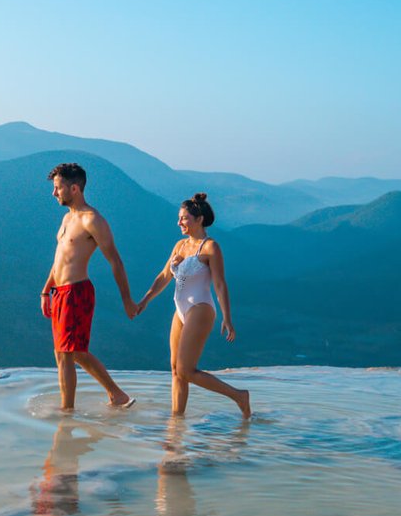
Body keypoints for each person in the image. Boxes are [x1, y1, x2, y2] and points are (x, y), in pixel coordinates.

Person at [135, 193, 252, 417]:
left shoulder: (210, 247)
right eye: (179, 218)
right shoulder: (179, 245)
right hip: (180, 312)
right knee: (175, 370)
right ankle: (176, 422)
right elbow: (163, 276)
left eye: (184, 218)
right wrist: (145, 300)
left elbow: (219, 284)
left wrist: (227, 317)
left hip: (201, 308)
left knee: (185, 370)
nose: (179, 222)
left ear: (199, 220)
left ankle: (239, 396)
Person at [41, 162, 137, 411]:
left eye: (58, 188)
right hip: (60, 292)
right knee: (70, 353)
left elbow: (115, 260)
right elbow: (59, 259)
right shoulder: (66, 218)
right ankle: (116, 396)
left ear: (74, 188)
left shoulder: (92, 220)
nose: (54, 193)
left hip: (76, 292)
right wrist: (47, 289)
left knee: (67, 354)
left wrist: (127, 300)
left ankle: (68, 411)